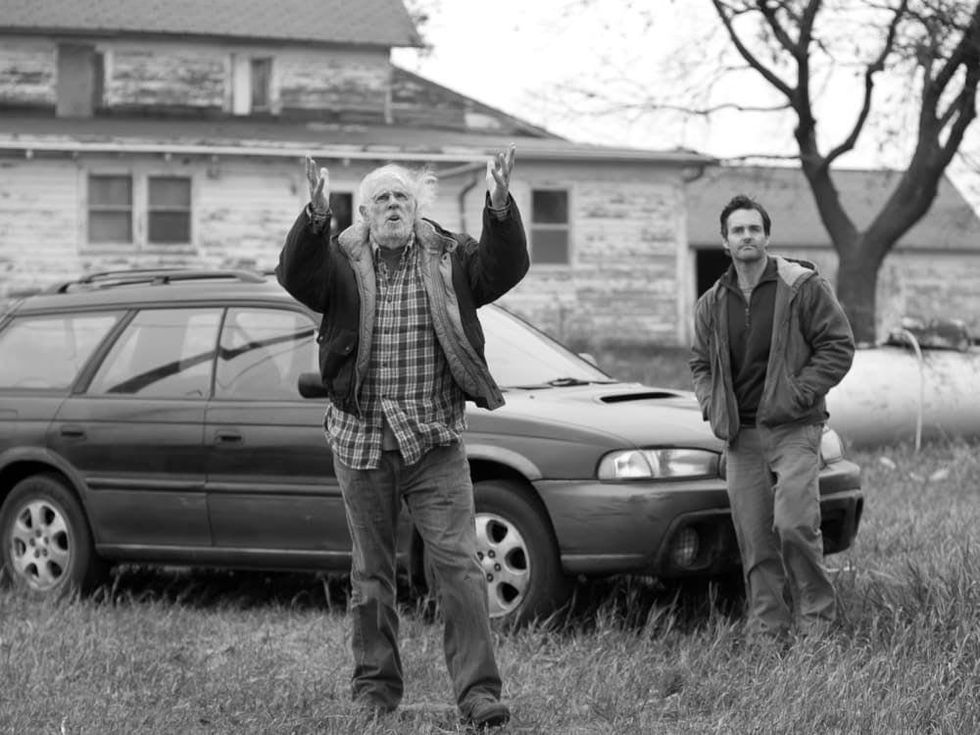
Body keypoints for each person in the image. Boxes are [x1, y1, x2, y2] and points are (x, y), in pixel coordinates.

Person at [275, 146, 528, 728]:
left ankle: (478, 696)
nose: (392, 206)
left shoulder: (449, 256)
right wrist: (316, 215)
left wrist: (499, 204)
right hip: (361, 442)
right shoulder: (339, 258)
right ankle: (375, 692)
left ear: (417, 209)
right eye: (381, 199)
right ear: (363, 213)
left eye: (402, 198)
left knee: (461, 569)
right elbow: (296, 275)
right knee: (371, 572)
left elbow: (503, 268)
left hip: (434, 441)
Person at [689, 194, 855, 643]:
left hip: (795, 428)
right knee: (755, 538)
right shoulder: (711, 302)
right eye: (737, 230)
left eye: (754, 229)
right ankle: (768, 631)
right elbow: (700, 363)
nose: (747, 236)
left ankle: (817, 626)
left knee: (795, 526)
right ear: (725, 241)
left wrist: (800, 393)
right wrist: (711, 403)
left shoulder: (801, 286)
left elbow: (838, 347)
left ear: (766, 236)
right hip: (740, 435)